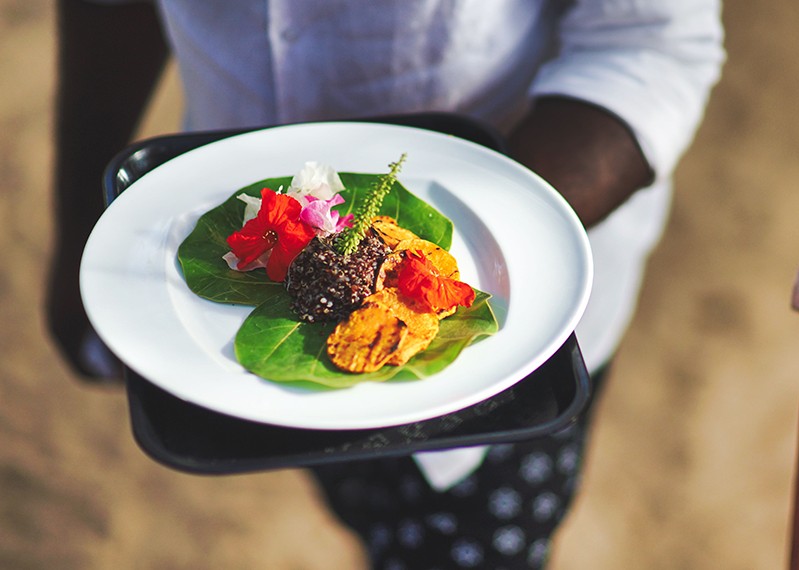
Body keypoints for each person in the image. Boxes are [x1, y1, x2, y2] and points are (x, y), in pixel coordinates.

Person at [50, 1, 725, 567]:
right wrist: (79, 220)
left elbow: (650, 45)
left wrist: (460, 253)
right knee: (352, 500)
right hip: (236, 304)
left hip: (507, 353)